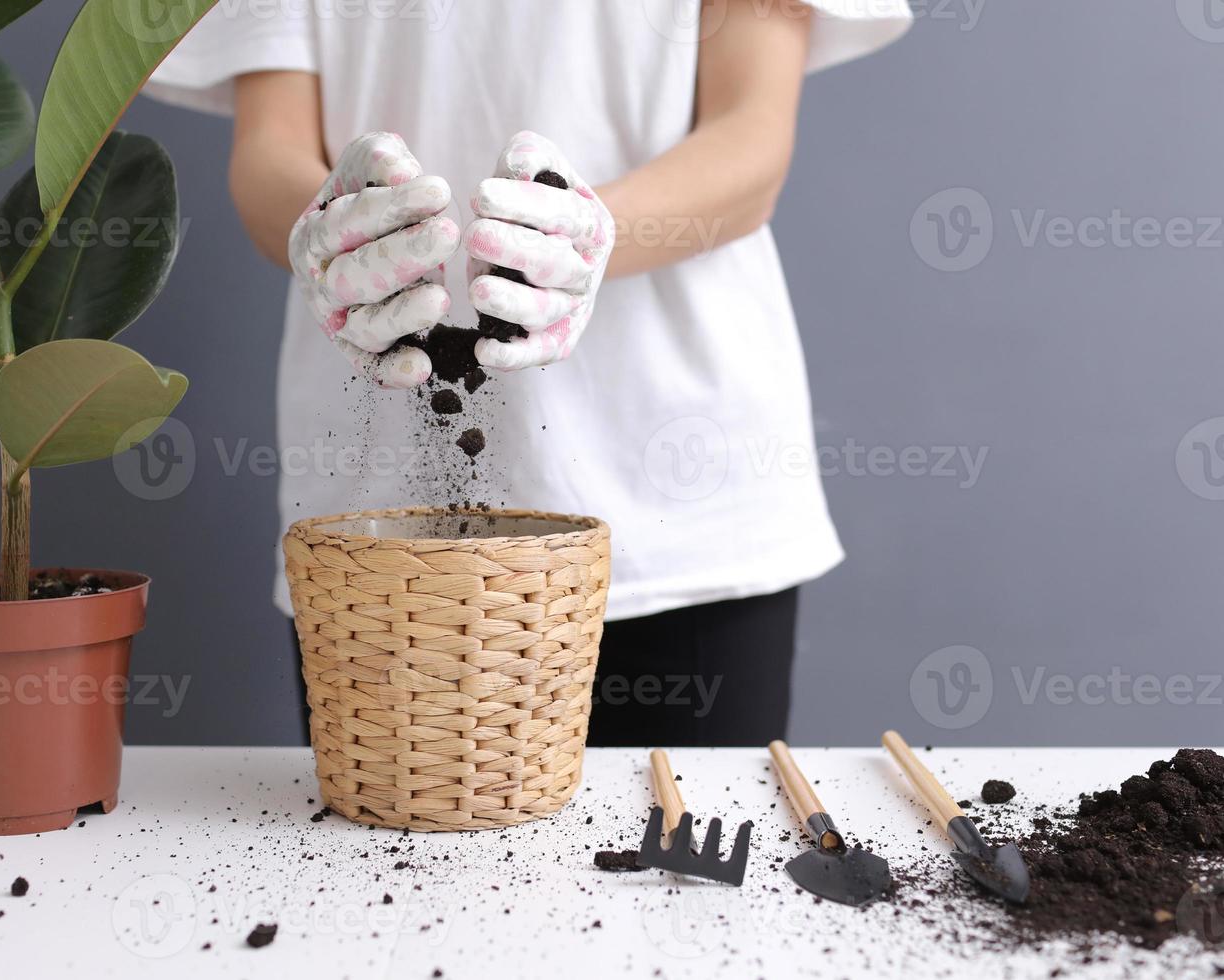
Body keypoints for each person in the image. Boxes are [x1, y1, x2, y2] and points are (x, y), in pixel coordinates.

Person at [147, 0, 912, 746]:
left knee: (682, 861)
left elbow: (752, 136)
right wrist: (333, 234)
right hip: (383, 513)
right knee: (390, 859)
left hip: (682, 494)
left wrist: (588, 237)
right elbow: (267, 153)